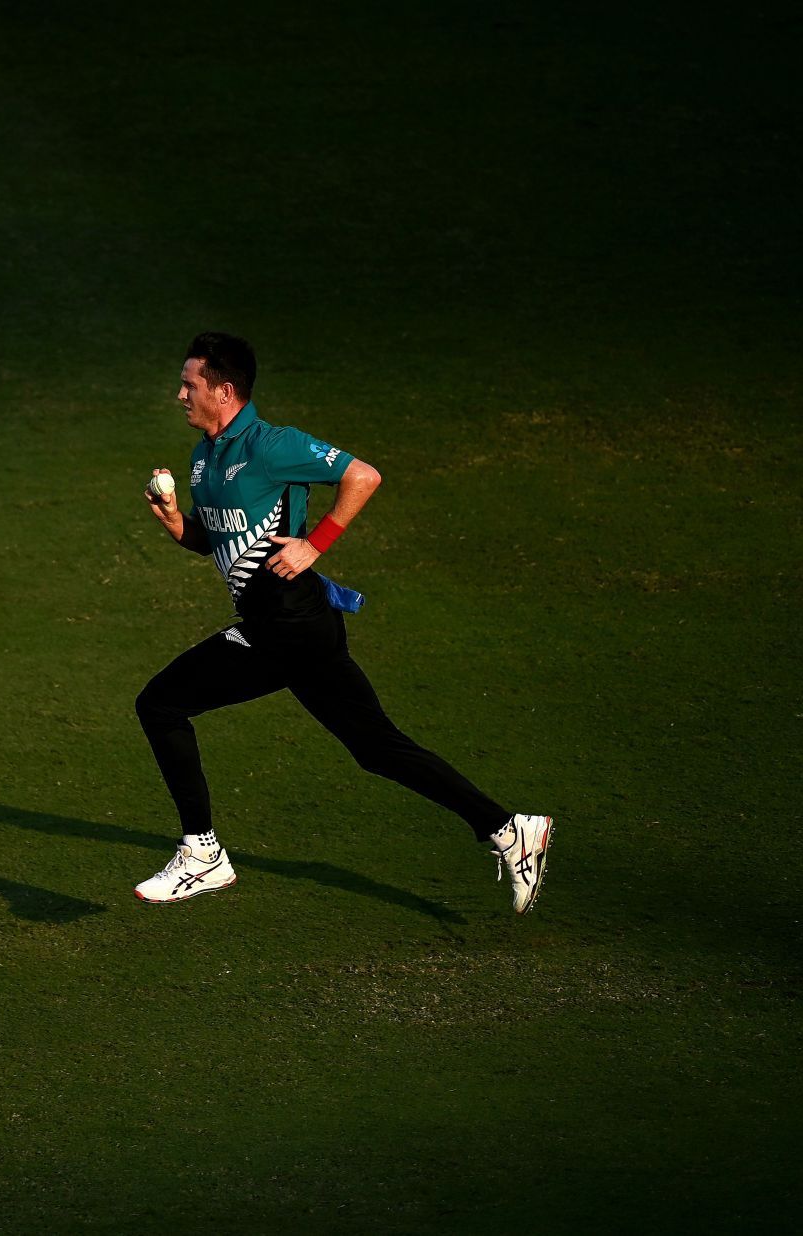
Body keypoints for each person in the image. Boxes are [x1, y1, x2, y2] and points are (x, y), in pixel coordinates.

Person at [133, 331, 553, 911]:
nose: (179, 393)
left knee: (160, 704)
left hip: (285, 624)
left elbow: (364, 475)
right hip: (302, 628)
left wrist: (316, 544)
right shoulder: (204, 458)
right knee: (375, 748)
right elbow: (216, 542)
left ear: (224, 390)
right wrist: (175, 519)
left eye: (190, 383)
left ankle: (202, 852)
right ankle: (510, 829)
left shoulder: (272, 445)